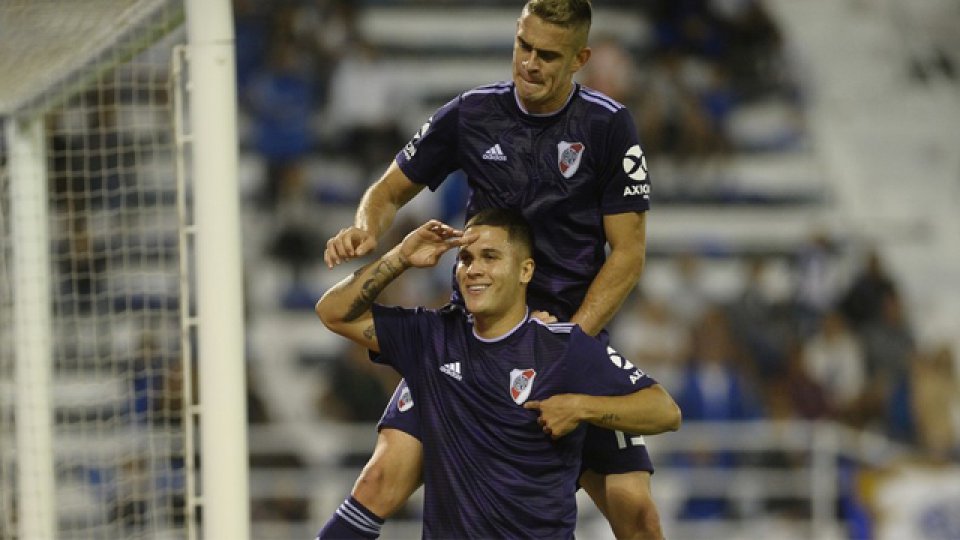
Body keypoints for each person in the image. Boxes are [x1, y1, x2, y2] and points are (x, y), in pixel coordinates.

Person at [320, 0, 662, 537]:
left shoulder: (608, 126)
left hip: (566, 338)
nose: (530, 62)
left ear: (580, 58)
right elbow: (387, 191)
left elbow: (628, 254)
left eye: (548, 54)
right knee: (378, 478)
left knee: (637, 514)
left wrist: (569, 342)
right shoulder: (472, 113)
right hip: (473, 337)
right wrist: (368, 227)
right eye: (523, 46)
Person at [315, 210, 681, 538]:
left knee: (638, 517)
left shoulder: (563, 348)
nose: (474, 269)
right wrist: (401, 257)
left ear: (526, 271)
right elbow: (333, 311)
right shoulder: (432, 337)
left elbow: (665, 410)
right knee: (375, 482)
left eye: (490, 257)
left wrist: (581, 407)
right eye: (465, 258)